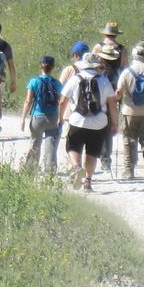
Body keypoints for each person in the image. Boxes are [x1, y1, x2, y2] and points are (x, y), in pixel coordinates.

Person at [60, 52, 118, 191]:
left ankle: (76, 167)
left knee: (72, 147)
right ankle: (87, 182)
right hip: (99, 123)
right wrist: (115, 123)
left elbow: (62, 101)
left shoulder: (75, 79)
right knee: (92, 152)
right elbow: (112, 104)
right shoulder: (104, 81)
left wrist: (60, 118)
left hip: (77, 121)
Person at [115, 40, 144, 179]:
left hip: (129, 111)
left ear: (133, 56)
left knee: (129, 141)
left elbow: (118, 92)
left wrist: (117, 99)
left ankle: (129, 170)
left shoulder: (126, 72)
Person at [91, 24, 127, 174]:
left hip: (98, 90)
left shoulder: (98, 47)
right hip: (114, 87)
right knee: (110, 123)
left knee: (95, 122)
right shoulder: (122, 49)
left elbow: (91, 65)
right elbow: (125, 68)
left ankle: (94, 154)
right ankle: (106, 159)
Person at [21, 54, 63, 174]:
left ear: (40, 66)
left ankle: (30, 170)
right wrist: (61, 117)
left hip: (37, 116)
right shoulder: (57, 83)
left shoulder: (34, 82)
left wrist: (23, 118)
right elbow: (62, 101)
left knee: (35, 142)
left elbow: (28, 101)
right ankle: (50, 172)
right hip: (53, 117)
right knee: (51, 145)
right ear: (53, 67)